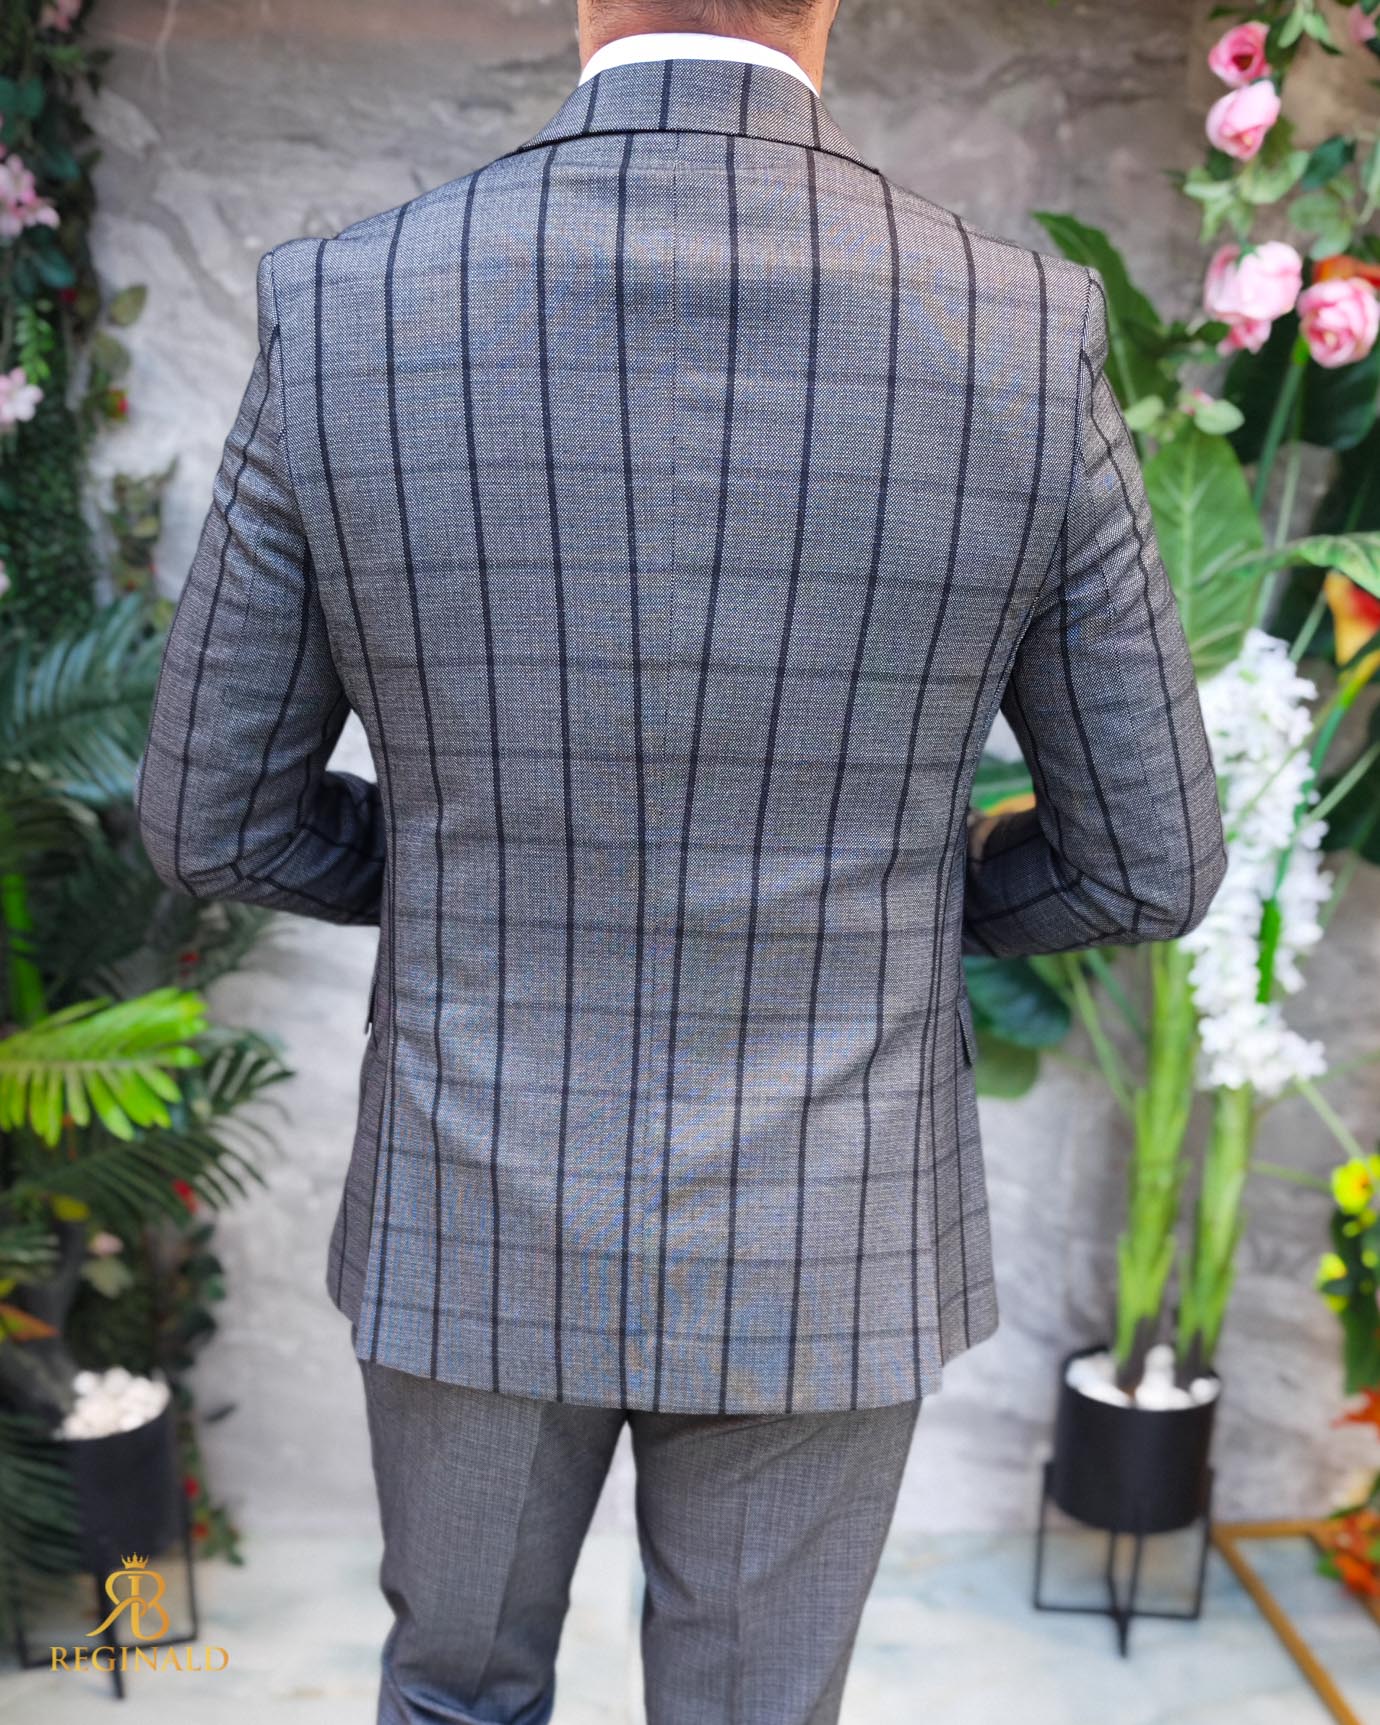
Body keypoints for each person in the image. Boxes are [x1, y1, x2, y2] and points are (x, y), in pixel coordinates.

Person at [134, 0, 1227, 1718]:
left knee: (456, 1695)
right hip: (832, 1212)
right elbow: (1148, 859)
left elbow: (216, 816)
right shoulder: (1022, 328)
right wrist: (900, 900)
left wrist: (473, 870)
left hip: (474, 1186)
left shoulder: (348, 307)